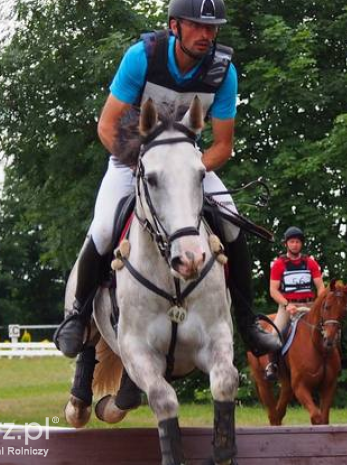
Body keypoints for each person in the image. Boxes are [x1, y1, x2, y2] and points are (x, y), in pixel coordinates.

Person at [55, 0, 280, 358]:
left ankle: (248, 320)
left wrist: (186, 174)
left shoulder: (224, 72)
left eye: (212, 28)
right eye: (197, 26)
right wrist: (141, 168)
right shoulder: (142, 57)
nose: (206, 34)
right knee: (102, 228)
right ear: (175, 26)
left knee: (233, 224)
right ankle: (77, 317)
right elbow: (107, 125)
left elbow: (222, 146)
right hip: (130, 161)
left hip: (188, 163)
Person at [264, 226, 326, 381]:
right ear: (286, 244)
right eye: (292, 242)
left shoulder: (310, 263)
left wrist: (319, 304)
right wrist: (287, 304)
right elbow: (273, 290)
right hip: (288, 306)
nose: (295, 245)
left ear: (301, 244)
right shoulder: (279, 264)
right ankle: (272, 366)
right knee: (275, 333)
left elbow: (320, 287)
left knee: (329, 329)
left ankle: (332, 364)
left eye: (298, 242)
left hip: (310, 305)